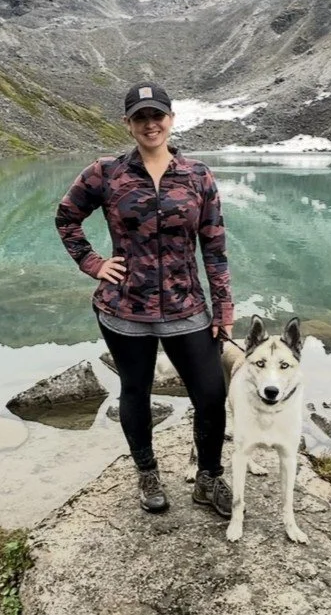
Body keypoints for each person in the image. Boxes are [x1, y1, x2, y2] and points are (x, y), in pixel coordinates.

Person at [55, 82, 234, 516]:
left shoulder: (197, 175)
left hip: (186, 306)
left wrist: (224, 307)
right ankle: (147, 473)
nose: (150, 124)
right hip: (123, 308)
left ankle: (209, 478)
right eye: (140, 117)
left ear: (171, 119)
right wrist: (93, 264)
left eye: (157, 116)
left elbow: (214, 245)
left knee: (210, 393)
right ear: (128, 123)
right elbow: (66, 218)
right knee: (135, 390)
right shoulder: (106, 172)